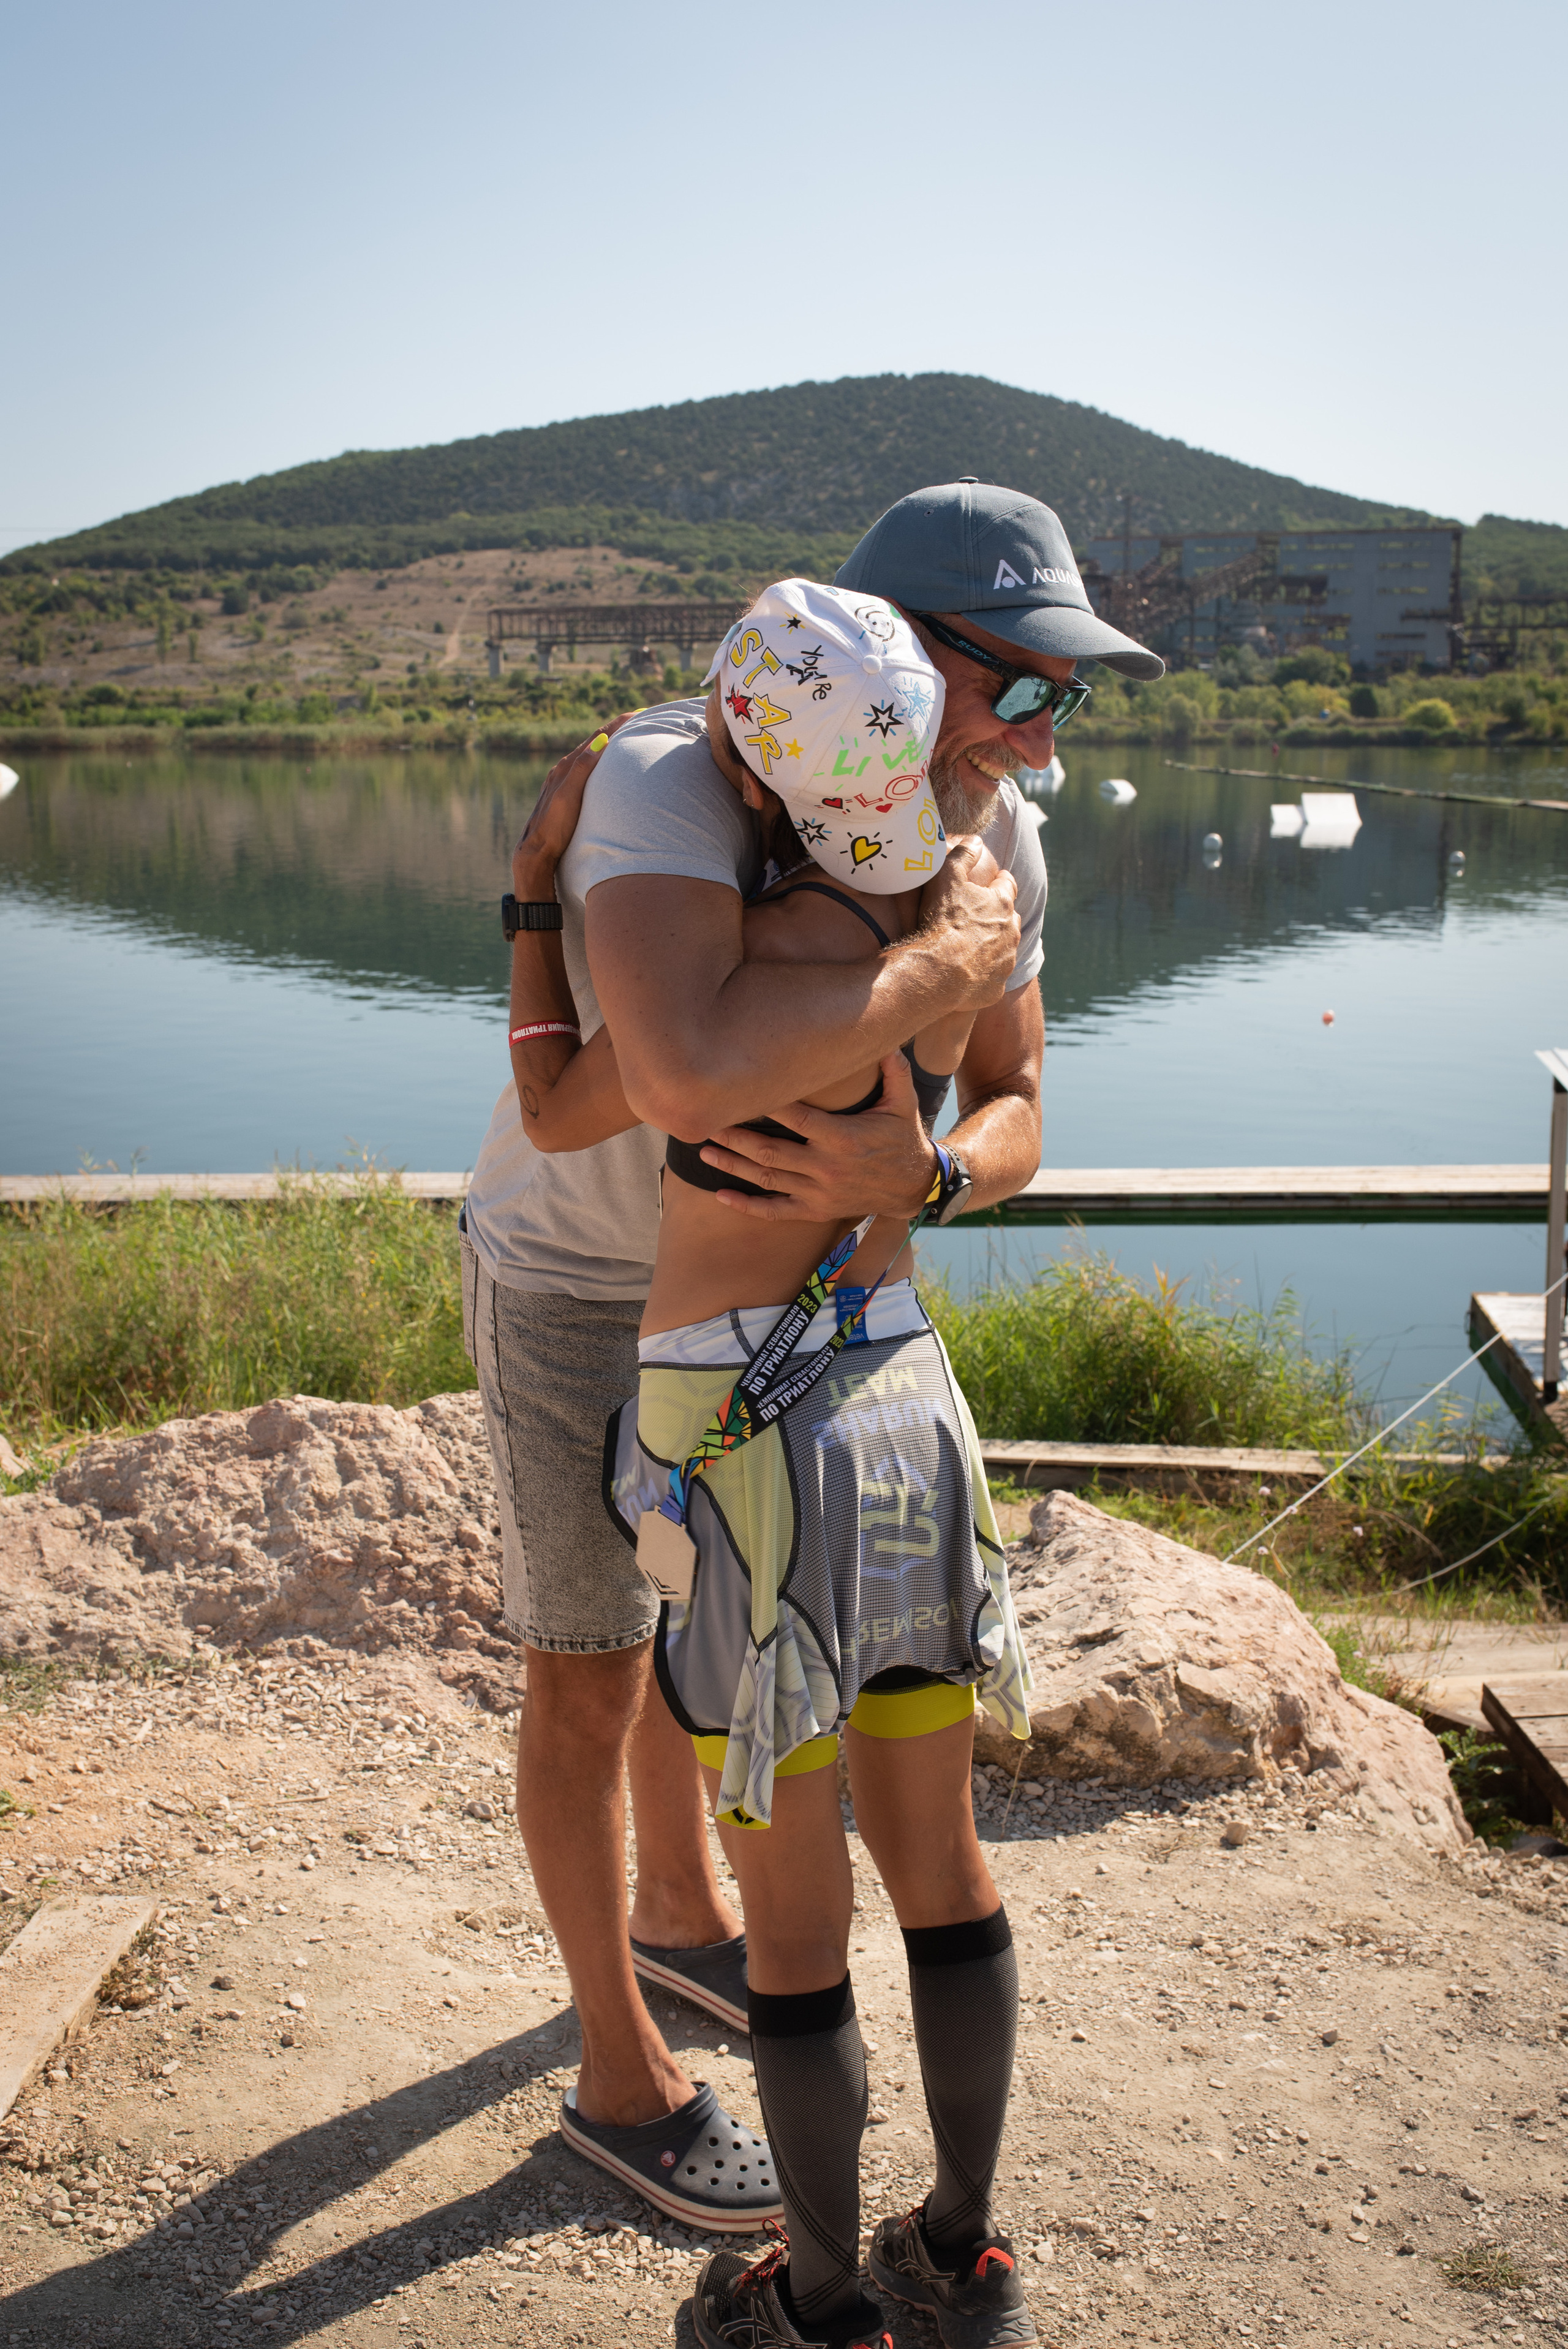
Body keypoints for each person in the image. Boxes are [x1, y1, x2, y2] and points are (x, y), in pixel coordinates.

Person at [459, 478, 1162, 2242]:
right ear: (901, 662)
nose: (1039, 738)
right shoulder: (664, 784)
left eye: (1066, 695)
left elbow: (1014, 1108)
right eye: (1025, 687)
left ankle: (691, 1939)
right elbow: (674, 1078)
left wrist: (915, 1170)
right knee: (590, 1663)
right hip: (576, 1272)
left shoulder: (997, 826)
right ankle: (626, 2078)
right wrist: (922, 957)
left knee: (711, 1675)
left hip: (793, 1332)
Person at [510, 580, 1037, 2349]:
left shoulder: (746, 962)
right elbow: (990, 1091)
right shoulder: (959, 900)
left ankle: (818, 2305)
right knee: (945, 1861)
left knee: (796, 1920)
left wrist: (531, 901)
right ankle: (961, 2245)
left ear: (752, 753)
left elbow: (571, 1097)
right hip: (908, 1393)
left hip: (745, 1431)